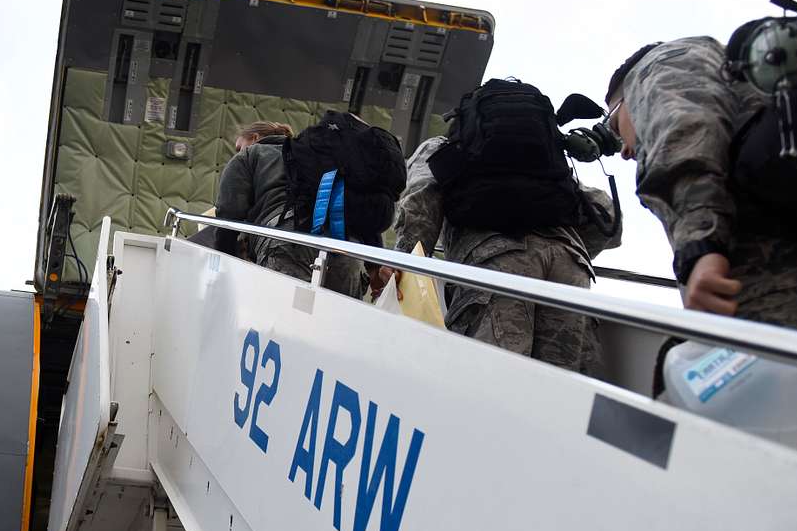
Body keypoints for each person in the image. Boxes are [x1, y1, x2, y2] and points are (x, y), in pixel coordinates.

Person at [605, 36, 797, 486]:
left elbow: (684, 131)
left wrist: (701, 247)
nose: (621, 149)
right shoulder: (759, 88)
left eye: (612, 120)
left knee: (654, 457)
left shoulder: (665, 62)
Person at [390, 127, 622, 373]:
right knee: (560, 390)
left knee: (494, 384)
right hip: (569, 267)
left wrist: (400, 264)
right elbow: (608, 218)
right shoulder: (541, 159)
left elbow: (421, 204)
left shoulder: (443, 147)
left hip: (497, 266)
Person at [212, 115, 403, 297]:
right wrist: (374, 267)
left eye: (238, 146)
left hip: (287, 243)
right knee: (336, 328)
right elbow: (353, 201)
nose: (237, 151)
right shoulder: (317, 155)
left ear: (254, 138)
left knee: (283, 327)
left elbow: (228, 214)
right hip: (344, 248)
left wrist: (220, 265)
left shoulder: (250, 154)